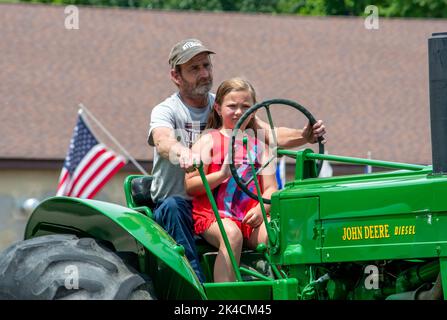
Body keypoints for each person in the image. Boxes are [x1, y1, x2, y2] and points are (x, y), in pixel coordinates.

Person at [147, 38, 326, 283]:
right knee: (175, 207)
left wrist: (304, 136)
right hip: (183, 203)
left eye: (206, 66)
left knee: (280, 229)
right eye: (194, 68)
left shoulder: (231, 107)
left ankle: (288, 284)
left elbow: (268, 134)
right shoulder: (167, 110)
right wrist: (184, 153)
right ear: (176, 76)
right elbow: (163, 140)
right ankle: (195, 287)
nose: (204, 73)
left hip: (234, 207)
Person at [185, 78, 277, 282]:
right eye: (232, 106)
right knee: (231, 234)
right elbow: (190, 186)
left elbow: (271, 189)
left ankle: (279, 288)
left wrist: (262, 210)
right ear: (218, 108)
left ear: (253, 110)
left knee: (276, 234)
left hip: (250, 216)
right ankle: (224, 296)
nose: (238, 111)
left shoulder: (261, 146)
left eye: (245, 106)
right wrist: (221, 175)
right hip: (213, 216)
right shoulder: (208, 140)